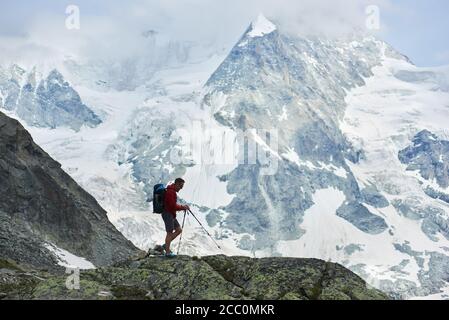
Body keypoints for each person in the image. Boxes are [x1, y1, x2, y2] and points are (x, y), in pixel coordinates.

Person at [162, 178, 189, 257]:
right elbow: (172, 206)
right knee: (169, 232)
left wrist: (182, 207)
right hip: (168, 214)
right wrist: (182, 207)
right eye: (180, 186)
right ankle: (167, 252)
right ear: (177, 184)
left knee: (178, 230)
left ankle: (166, 245)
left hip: (171, 214)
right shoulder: (171, 192)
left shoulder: (172, 191)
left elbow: (172, 206)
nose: (181, 188)